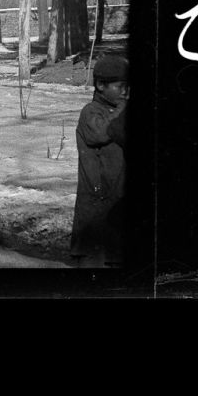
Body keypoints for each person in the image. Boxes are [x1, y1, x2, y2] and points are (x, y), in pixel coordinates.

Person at [71, 53, 130, 267]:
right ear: (101, 85)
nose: (125, 92)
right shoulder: (91, 112)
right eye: (120, 86)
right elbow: (100, 133)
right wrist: (122, 111)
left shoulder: (119, 112)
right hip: (96, 207)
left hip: (117, 206)